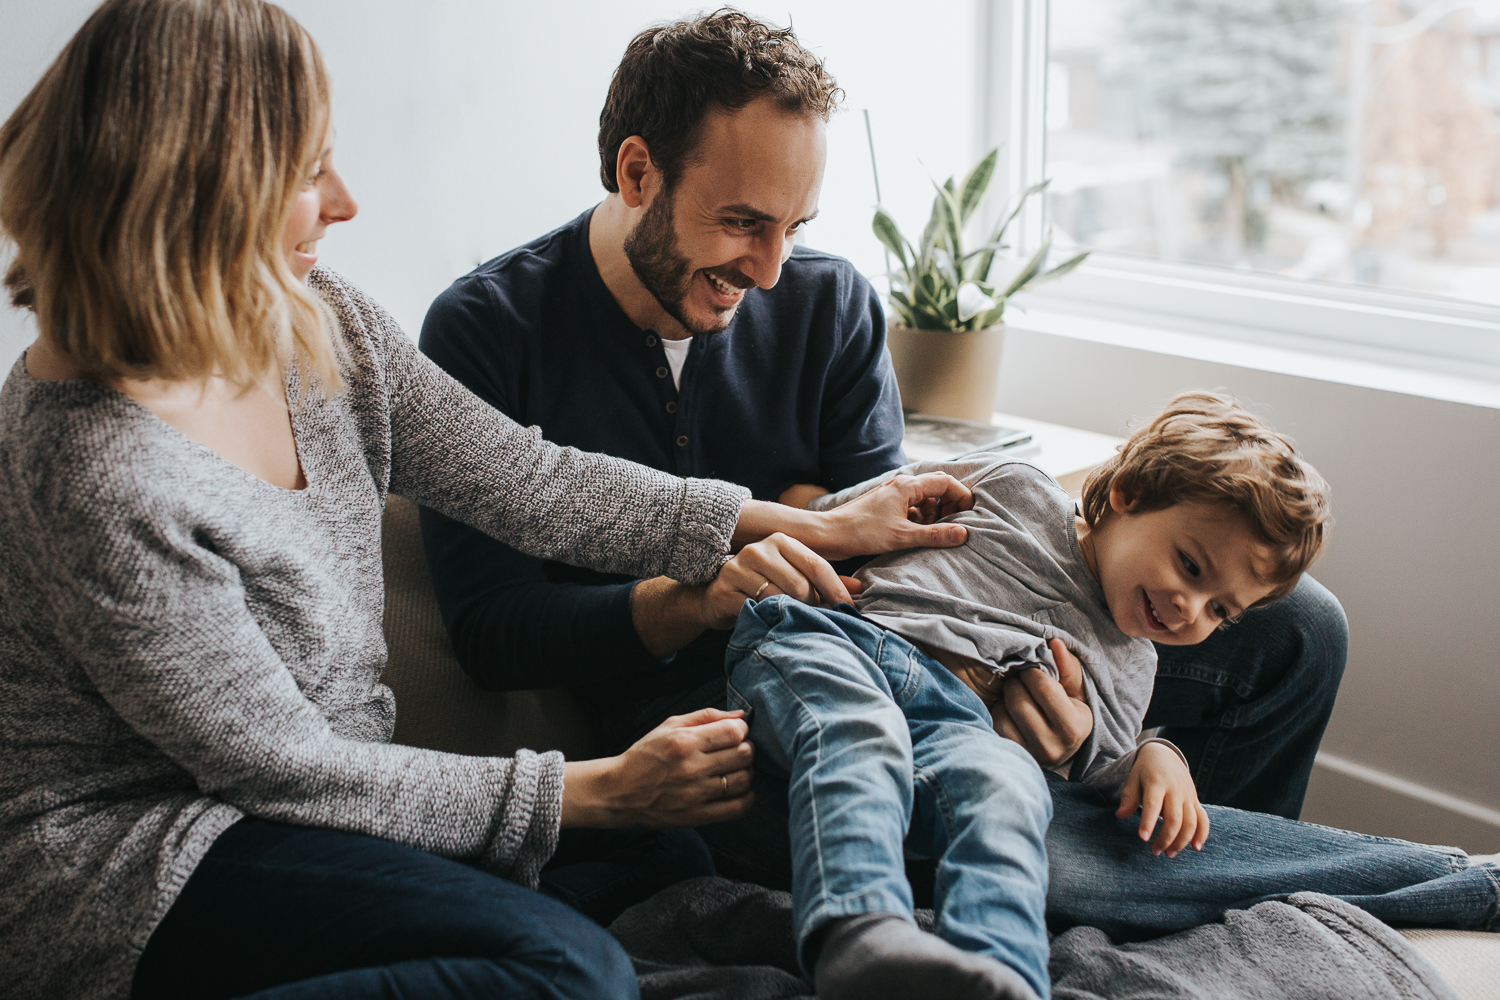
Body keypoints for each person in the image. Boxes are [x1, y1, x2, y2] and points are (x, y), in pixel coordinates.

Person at [0, 3, 975, 999]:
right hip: (144, 859)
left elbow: (531, 482)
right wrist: (598, 789)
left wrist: (804, 523)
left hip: (320, 810)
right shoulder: (93, 464)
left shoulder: (316, 321)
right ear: (189, 187)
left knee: (664, 870)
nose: (345, 201)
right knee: (576, 968)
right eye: (306, 172)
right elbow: (284, 770)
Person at [415, 6, 1364, 910]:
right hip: (719, 706)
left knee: (1298, 632)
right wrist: (696, 595)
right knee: (933, 810)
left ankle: (1179, 865)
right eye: (744, 222)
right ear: (637, 171)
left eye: (798, 228)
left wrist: (1106, 726)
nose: (771, 271)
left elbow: (898, 549)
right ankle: (1284, 879)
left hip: (904, 650)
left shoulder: (829, 305)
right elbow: (497, 633)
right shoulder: (490, 330)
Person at [726, 393, 1330, 1000]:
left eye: (1220, 611)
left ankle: (1002, 969)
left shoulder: (1134, 666)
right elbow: (839, 515)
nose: (1188, 611)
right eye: (1191, 568)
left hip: (953, 723)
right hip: (839, 641)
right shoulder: (1017, 485)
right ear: (1129, 493)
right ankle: (857, 932)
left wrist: (1155, 757)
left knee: (1012, 786)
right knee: (860, 732)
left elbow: (1091, 775)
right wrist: (834, 513)